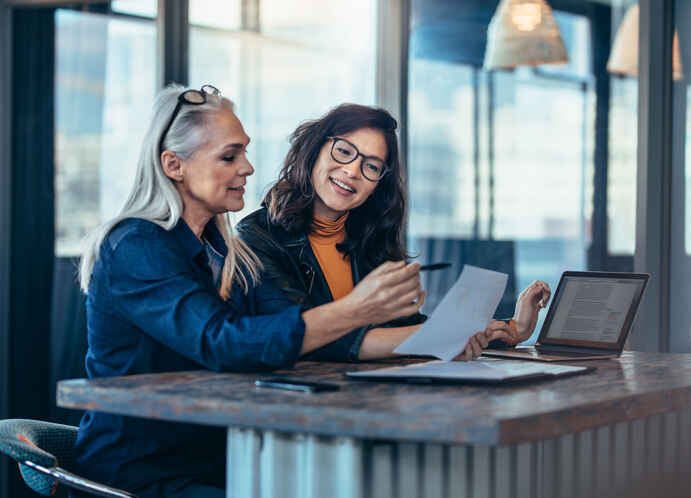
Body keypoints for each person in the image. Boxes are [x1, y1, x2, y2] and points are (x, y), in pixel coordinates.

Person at [74, 86, 471, 498]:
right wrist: (357, 308)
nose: (247, 167)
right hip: (144, 474)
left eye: (244, 152)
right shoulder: (136, 246)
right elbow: (223, 342)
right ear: (174, 165)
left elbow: (286, 328)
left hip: (225, 459)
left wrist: (444, 334)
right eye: (229, 156)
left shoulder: (226, 251)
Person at [236, 103, 551, 362]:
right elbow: (305, 336)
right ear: (315, 149)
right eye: (344, 151)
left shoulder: (368, 238)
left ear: (378, 184)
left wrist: (514, 329)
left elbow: (406, 329)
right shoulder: (256, 237)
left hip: (371, 398)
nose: (352, 171)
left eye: (371, 166)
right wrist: (442, 337)